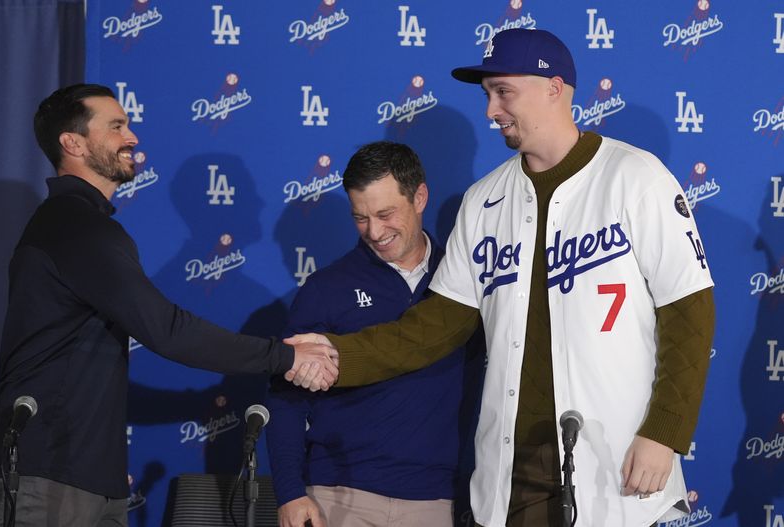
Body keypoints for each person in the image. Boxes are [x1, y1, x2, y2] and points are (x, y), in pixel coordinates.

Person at [286, 29, 716, 527]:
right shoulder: (484, 201)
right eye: (487, 94)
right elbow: (433, 328)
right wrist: (338, 356)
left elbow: (689, 312)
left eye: (503, 92)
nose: (491, 110)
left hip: (613, 450)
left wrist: (664, 432)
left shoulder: (636, 177)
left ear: (554, 88)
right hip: (516, 464)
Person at [0, 84, 336, 526]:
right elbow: (166, 329)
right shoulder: (73, 225)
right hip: (50, 477)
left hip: (87, 478)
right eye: (116, 126)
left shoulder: (81, 224)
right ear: (72, 143)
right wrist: (285, 356)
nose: (132, 136)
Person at [266, 141, 481, 527]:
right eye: (360, 218)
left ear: (420, 197)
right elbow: (286, 402)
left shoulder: (464, 283)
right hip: (337, 496)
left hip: (435, 500)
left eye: (385, 214)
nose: (374, 231)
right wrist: (291, 493)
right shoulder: (324, 288)